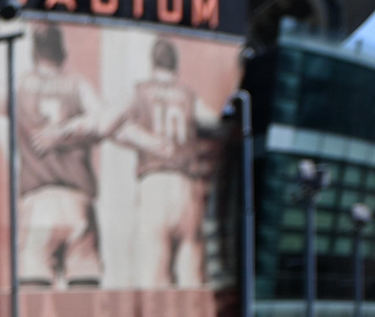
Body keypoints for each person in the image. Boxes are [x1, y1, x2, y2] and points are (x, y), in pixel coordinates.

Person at [109, 38, 222, 288]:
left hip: (154, 181)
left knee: (154, 275)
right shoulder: (189, 96)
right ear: (176, 64)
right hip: (185, 185)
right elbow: (216, 124)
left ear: (153, 63)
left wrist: (139, 138)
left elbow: (109, 125)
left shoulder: (140, 91)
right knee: (190, 273)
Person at [15, 23, 105, 289]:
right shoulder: (78, 85)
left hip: (38, 203)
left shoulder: (20, 85)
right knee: (85, 291)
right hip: (77, 202)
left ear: (34, 53)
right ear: (63, 53)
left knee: (33, 292)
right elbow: (102, 120)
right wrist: (67, 131)